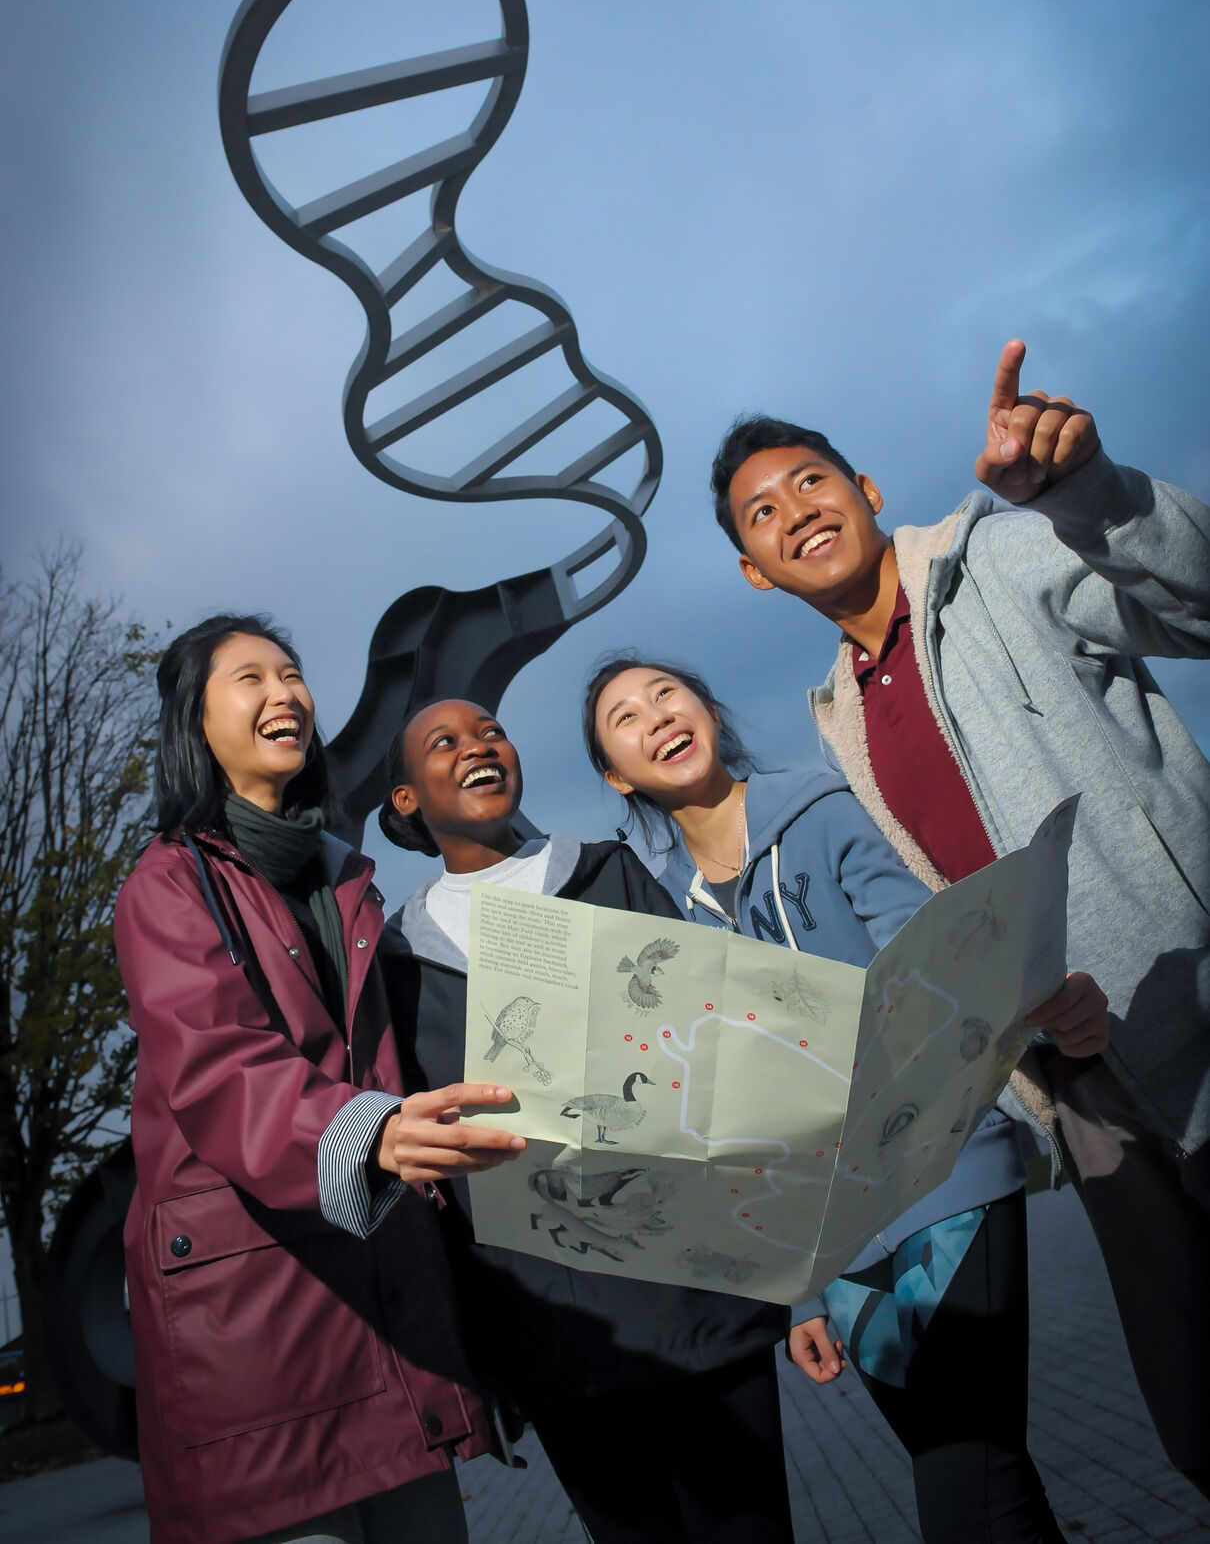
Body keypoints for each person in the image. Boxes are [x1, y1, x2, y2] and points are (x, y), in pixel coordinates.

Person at [708, 338, 1210, 1498]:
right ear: (750, 571)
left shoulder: (993, 554)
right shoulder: (833, 719)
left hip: (1189, 1000)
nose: (795, 513)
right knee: (1194, 1420)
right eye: (762, 514)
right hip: (1080, 1094)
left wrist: (1095, 492)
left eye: (810, 484)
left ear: (867, 491)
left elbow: (1195, 604)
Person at [587, 653, 1108, 1544]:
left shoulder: (820, 813)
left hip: (941, 1176)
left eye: (666, 693)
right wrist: (799, 1296)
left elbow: (940, 958)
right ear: (614, 773)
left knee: (966, 1501)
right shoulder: (666, 918)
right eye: (625, 718)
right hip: (837, 1245)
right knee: (994, 1487)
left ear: (708, 707)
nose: (656, 717)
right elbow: (735, 1118)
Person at [114, 614, 526, 1544]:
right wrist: (368, 1134)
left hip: (389, 1336)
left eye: (293, 672)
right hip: (257, 1341)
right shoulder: (166, 884)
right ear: (196, 723)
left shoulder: (349, 883)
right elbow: (223, 1071)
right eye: (249, 677)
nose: (285, 692)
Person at [378, 696, 795, 1544]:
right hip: (551, 1337)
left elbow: (717, 1056)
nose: (477, 746)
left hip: (694, 1304)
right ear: (405, 801)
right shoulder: (396, 960)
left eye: (491, 729)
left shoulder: (608, 874)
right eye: (444, 742)